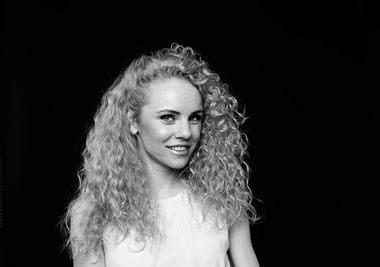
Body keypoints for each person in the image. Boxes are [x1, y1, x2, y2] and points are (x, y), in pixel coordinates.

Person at [62, 43, 260, 267]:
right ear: (133, 121)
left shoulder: (223, 199)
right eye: (168, 117)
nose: (186, 132)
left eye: (195, 117)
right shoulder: (94, 213)